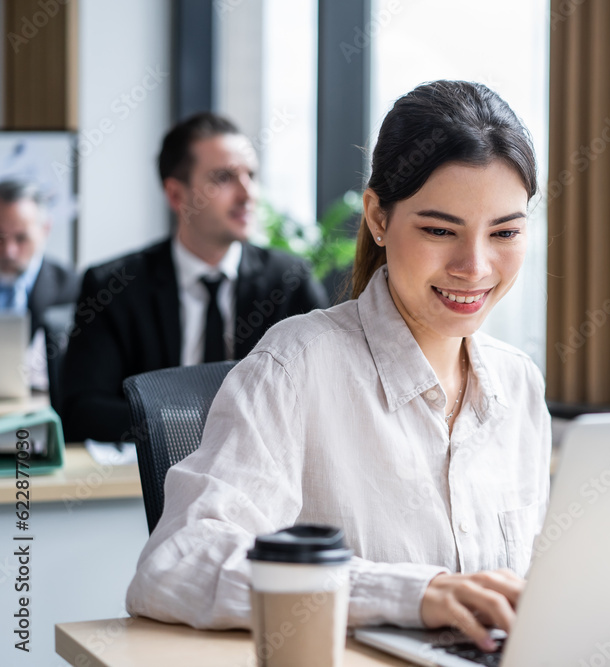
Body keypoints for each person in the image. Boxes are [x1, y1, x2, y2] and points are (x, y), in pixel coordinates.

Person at [125, 81, 551, 653]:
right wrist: (410, 594)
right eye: (439, 230)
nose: (474, 267)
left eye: (505, 232)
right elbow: (174, 564)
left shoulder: (518, 383)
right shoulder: (295, 367)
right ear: (378, 216)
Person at [60, 113, 327, 443]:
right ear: (176, 195)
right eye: (224, 178)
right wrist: (189, 424)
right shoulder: (114, 285)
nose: (247, 194)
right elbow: (82, 410)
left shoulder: (289, 281)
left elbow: (324, 397)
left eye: (251, 176)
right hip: (146, 486)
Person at [0, 179, 79, 390]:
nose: (9, 251)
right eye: (0, 238)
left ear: (45, 229)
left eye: (21, 238)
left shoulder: (73, 289)